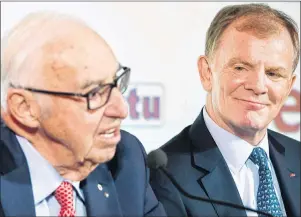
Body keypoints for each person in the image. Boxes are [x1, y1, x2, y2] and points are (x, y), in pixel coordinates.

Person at [0, 12, 165, 217]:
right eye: (94, 93)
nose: (122, 110)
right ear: (25, 108)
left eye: (116, 83)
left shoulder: (127, 161)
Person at [150, 3, 300, 217]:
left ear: (288, 87)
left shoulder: (298, 156)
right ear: (207, 73)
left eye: (274, 73)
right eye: (240, 68)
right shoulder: (164, 177)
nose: (258, 86)